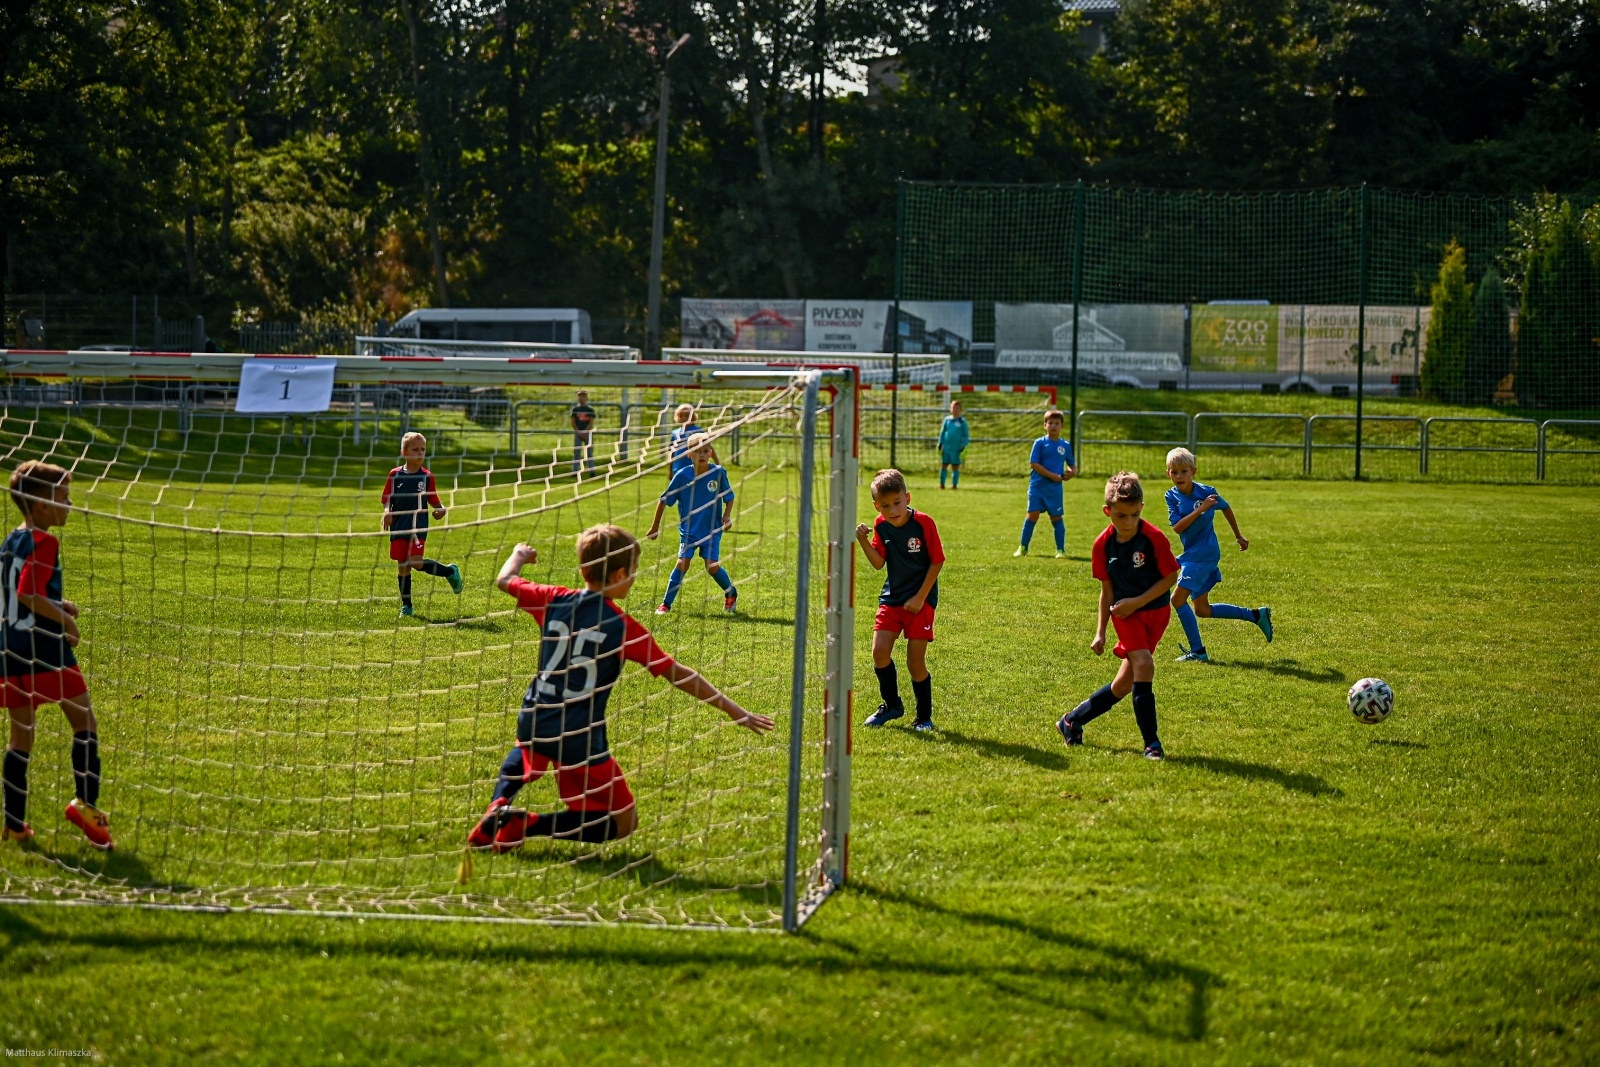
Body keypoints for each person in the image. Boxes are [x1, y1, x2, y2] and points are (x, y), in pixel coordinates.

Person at [465, 527, 772, 858]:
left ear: (584, 570)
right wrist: (734, 710)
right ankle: (527, 824)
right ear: (621, 573)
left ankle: (499, 803)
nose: (635, 578)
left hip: (534, 714)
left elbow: (505, 580)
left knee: (528, 748)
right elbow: (679, 675)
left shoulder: (553, 598)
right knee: (625, 821)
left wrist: (520, 554)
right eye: (634, 573)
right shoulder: (623, 627)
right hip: (579, 737)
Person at [1, 461, 111, 849]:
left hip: (10, 650)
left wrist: (59, 602)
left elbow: (18, 590)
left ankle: (14, 824)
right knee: (85, 724)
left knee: (21, 738)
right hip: (45, 649)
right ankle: (87, 809)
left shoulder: (12, 539)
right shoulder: (46, 541)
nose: (69, 504)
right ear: (43, 505)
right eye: (64, 497)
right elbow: (28, 593)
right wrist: (66, 621)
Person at [1057, 471, 1179, 761]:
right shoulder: (1102, 545)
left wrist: (1138, 601)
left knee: (1125, 683)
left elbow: (1171, 577)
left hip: (1156, 612)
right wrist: (1100, 631)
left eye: (1134, 515)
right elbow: (1107, 591)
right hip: (1125, 614)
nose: (1128, 523)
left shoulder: (1153, 538)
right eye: (1121, 516)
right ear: (1107, 511)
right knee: (1144, 665)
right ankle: (1152, 744)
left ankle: (1072, 721)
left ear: (1141, 509)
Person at [1164, 448, 1273, 663]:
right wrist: (1200, 510)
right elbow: (1177, 527)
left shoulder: (1206, 492)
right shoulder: (1171, 496)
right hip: (1191, 554)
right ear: (1168, 474)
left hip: (1204, 555)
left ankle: (1198, 652)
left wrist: (1238, 536)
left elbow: (1226, 507)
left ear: (1193, 471)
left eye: (1183, 471)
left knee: (1177, 600)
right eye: (1174, 472)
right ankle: (1256, 615)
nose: (1179, 476)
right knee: (1202, 609)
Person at [856, 469, 944, 732]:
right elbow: (878, 563)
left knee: (914, 662)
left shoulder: (924, 523)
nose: (892, 510)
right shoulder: (881, 525)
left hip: (921, 601)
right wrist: (862, 540)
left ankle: (924, 717)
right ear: (876, 506)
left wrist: (920, 597)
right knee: (879, 652)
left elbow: (937, 561)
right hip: (892, 599)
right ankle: (892, 705)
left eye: (897, 502)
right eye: (885, 506)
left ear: (907, 497)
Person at [646, 433, 738, 614]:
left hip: (711, 530)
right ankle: (666, 604)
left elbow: (730, 497)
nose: (701, 455)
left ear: (711, 453)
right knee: (682, 564)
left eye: (705, 451)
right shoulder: (682, 475)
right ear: (689, 454)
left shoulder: (718, 473)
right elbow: (664, 500)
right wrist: (655, 526)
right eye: (697, 452)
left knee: (712, 566)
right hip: (689, 531)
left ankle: (730, 592)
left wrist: (726, 517)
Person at [381, 432, 463, 617]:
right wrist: (387, 513)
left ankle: (450, 571)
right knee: (403, 565)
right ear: (404, 452)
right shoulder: (395, 474)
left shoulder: (427, 476)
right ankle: (407, 606)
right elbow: (387, 498)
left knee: (415, 563)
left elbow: (434, 499)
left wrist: (441, 509)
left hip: (418, 524)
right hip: (399, 524)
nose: (420, 453)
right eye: (415, 449)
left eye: (423, 449)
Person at [1014, 409, 1076, 558]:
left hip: (1054, 489)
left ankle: (1060, 550)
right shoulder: (1039, 443)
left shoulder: (1065, 445)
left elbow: (1072, 464)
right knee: (1032, 515)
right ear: (1045, 425)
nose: (1053, 426)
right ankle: (1023, 547)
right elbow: (1034, 463)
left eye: (1057, 423)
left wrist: (1071, 472)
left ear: (1062, 426)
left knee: (1056, 518)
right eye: (1050, 423)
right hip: (1037, 486)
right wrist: (1051, 475)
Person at [667, 403, 716, 477]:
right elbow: (671, 452)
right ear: (677, 417)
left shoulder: (697, 431)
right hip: (677, 469)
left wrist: (717, 462)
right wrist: (670, 469)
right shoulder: (675, 433)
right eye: (681, 416)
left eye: (687, 416)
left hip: (694, 468)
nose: (684, 418)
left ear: (692, 417)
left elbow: (709, 447)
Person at [938, 399, 970, 489]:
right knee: (944, 465)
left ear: (960, 410)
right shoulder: (947, 420)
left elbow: (966, 435)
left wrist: (965, 446)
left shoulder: (962, 422)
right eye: (953, 407)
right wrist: (940, 443)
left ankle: (954, 485)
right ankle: (942, 484)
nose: (955, 410)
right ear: (950, 409)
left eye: (957, 408)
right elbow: (943, 432)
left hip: (956, 448)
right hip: (946, 447)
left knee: (955, 466)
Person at [570, 390, 598, 475]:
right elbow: (573, 421)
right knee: (577, 452)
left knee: (589, 452)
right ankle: (575, 470)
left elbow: (591, 422)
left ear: (586, 398)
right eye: (580, 396)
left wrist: (585, 431)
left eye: (583, 396)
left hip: (587, 433)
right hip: (578, 432)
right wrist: (578, 431)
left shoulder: (590, 409)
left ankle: (592, 470)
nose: (581, 398)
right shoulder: (575, 409)